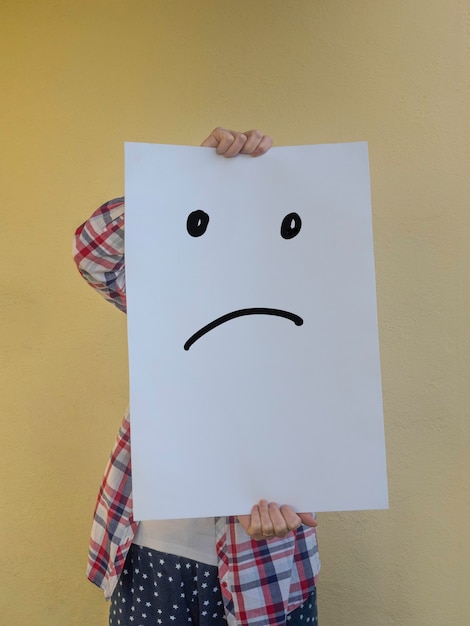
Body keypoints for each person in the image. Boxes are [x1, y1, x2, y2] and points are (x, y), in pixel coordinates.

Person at [73, 128, 321, 626]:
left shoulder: (309, 314)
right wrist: (190, 183)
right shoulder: (173, 297)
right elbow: (95, 254)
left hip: (263, 568)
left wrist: (296, 497)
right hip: (149, 552)